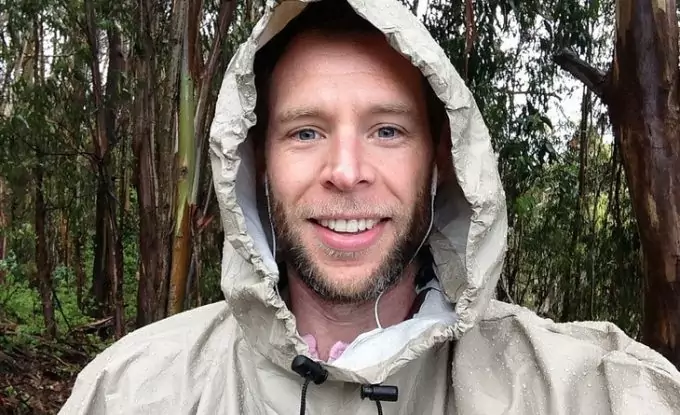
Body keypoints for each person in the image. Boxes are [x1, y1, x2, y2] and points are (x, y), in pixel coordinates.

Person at [60, 0, 680, 413]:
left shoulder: (581, 389)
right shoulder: (132, 392)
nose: (347, 172)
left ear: (440, 158)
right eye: (306, 132)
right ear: (257, 163)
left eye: (387, 130)